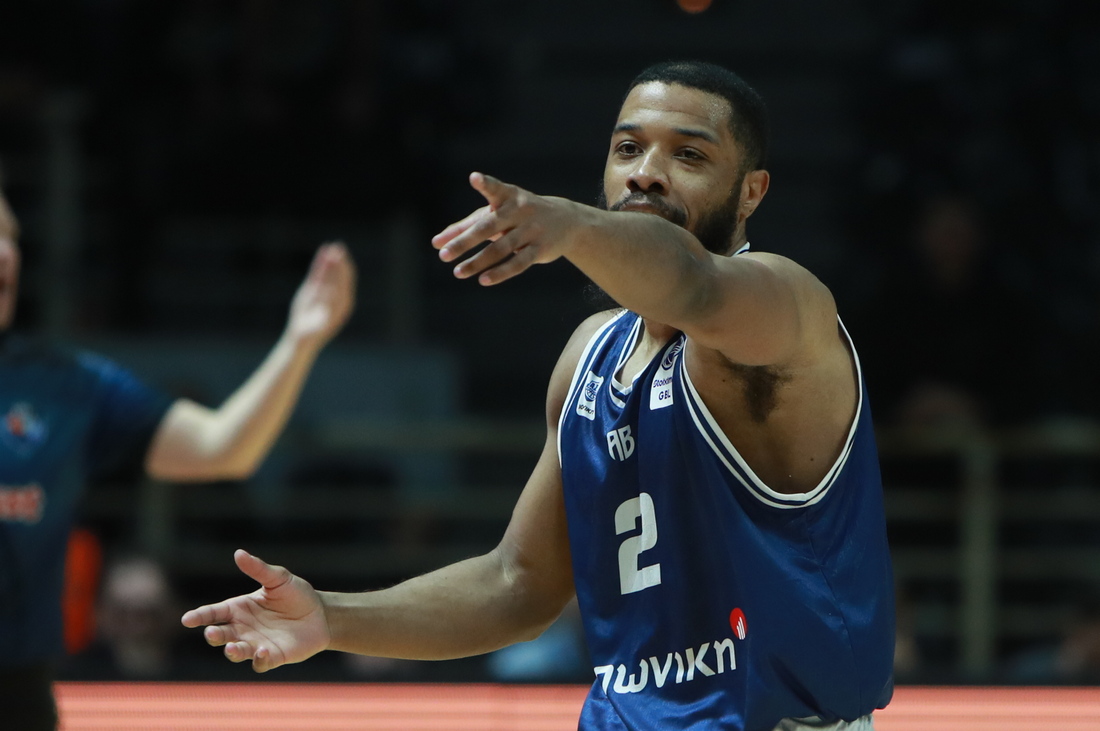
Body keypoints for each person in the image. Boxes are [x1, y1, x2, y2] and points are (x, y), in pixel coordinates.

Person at [182, 61, 895, 731]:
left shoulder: (787, 309)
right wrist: (331, 618)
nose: (646, 173)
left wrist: (574, 225)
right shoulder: (589, 357)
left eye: (689, 155)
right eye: (627, 148)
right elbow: (517, 584)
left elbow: (693, 283)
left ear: (751, 192)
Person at [0, 176, 356, 731]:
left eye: (10, 235)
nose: (4, 251)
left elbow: (222, 448)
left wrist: (299, 341)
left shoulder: (67, 385)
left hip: (17, 688)